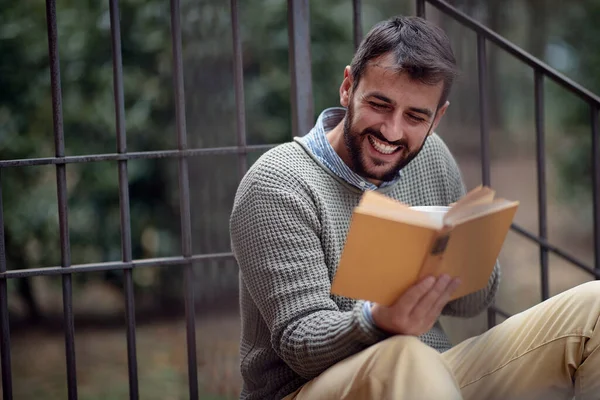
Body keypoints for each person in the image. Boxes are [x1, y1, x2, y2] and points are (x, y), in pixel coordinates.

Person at [229, 15, 600, 400]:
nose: (391, 131)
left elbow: (474, 302)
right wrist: (376, 321)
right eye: (379, 104)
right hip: (308, 388)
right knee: (403, 353)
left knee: (595, 306)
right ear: (347, 87)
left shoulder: (430, 158)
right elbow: (300, 344)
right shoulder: (278, 183)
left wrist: (466, 251)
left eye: (414, 116)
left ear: (436, 118)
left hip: (430, 375)